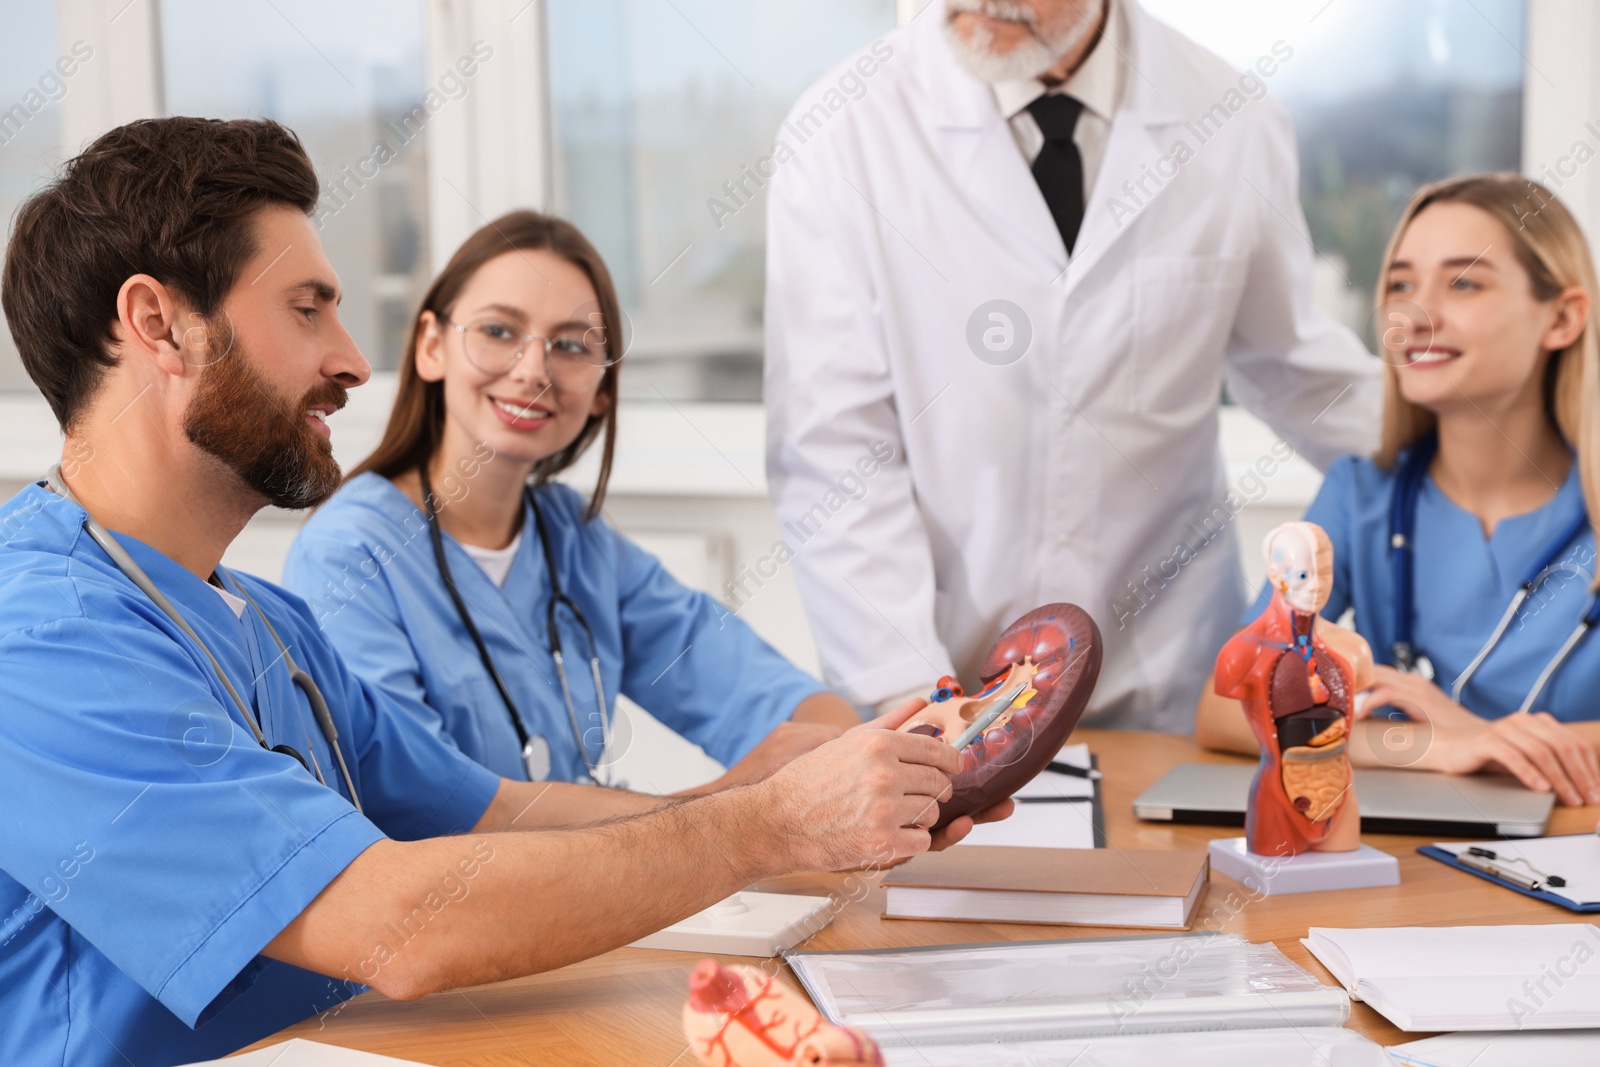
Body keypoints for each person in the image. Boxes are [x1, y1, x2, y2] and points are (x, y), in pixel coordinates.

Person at [0, 117, 1000, 1067]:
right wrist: (769, 823)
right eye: (308, 307)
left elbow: (498, 815)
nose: (351, 358)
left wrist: (787, 796)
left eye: (573, 346)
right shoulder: (38, 637)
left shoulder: (267, 621)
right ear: (158, 324)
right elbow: (396, 924)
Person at [763, 0, 1381, 732]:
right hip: (950, 678)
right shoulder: (844, 129)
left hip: (1164, 672)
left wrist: (1491, 440)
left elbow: (1293, 364)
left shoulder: (1232, 118)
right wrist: (911, 688)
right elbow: (832, 443)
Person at [282, 211, 858, 791]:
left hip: (592, 874)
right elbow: (425, 805)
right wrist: (717, 814)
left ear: (604, 388)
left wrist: (871, 746)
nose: (534, 371)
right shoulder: (346, 553)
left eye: (570, 345)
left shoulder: (578, 542)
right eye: (499, 332)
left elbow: (762, 696)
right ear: (432, 346)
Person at [1196, 174, 1600, 808]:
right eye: (1401, 285)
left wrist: (1475, 731)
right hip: (1418, 861)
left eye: (1464, 282)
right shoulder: (1362, 498)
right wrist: (1445, 746)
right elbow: (1227, 712)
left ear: (1563, 317)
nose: (1415, 315)